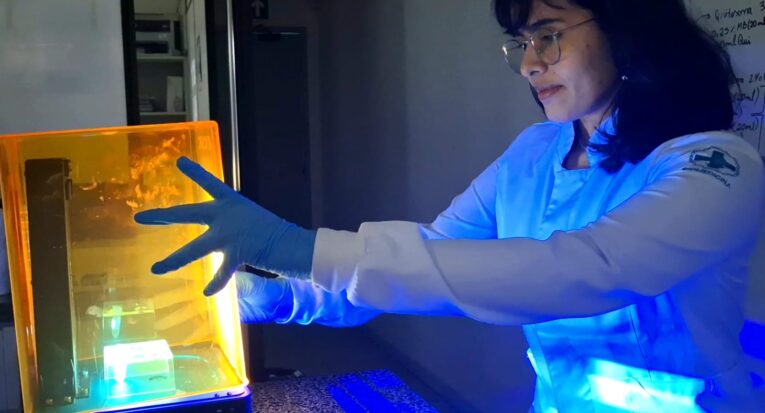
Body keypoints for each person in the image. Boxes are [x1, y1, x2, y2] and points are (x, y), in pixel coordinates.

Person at [135, 0, 765, 411]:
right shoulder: (534, 152)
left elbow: (586, 269)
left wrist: (302, 247)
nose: (529, 65)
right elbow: (432, 256)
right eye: (521, 42)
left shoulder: (717, 164)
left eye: (549, 36)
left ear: (629, 32)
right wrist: (273, 295)